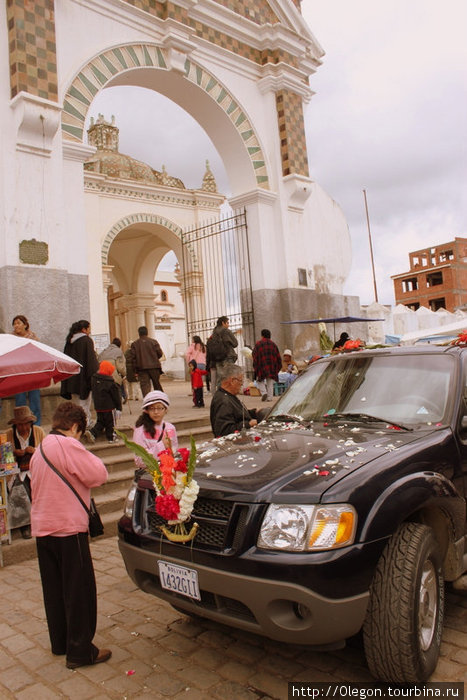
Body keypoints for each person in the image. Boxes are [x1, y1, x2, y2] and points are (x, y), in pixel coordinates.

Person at [29, 402, 111, 669]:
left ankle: (60, 642)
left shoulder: (39, 448)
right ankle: (80, 652)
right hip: (67, 528)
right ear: (75, 426)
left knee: (54, 589)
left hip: (43, 528)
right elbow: (99, 474)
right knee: (79, 591)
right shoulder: (67, 445)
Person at [6, 405, 45, 539]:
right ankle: (25, 525)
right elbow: (4, 456)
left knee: (36, 486)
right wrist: (14, 453)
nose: (23, 428)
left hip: (35, 470)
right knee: (20, 488)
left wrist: (34, 451)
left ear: (30, 423)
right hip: (16, 472)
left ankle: (38, 521)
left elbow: (46, 451)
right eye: (20, 425)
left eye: (26, 424)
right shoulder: (9, 434)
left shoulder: (38, 431)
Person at [60, 320, 99, 430]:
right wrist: (94, 375)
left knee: (77, 402)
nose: (90, 330)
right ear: (84, 329)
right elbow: (91, 361)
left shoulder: (69, 342)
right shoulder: (86, 340)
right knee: (85, 403)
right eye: (89, 328)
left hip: (72, 378)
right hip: (84, 377)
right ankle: (84, 422)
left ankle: (79, 422)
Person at [210, 363, 259, 438]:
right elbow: (224, 431)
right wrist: (249, 424)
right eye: (240, 381)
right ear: (233, 381)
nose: (241, 385)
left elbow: (237, 414)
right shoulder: (223, 401)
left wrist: (253, 412)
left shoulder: (229, 395)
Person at [132, 390, 179, 467]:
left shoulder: (170, 428)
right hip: (150, 475)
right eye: (152, 408)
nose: (156, 412)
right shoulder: (140, 430)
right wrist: (161, 445)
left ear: (166, 410)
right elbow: (140, 460)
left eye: (160, 408)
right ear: (147, 410)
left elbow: (174, 451)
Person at [11, 314, 42, 425]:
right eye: (14, 324)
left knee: (35, 399)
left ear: (25, 325)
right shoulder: (11, 339)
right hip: (17, 372)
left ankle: (36, 424)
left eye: (18, 323)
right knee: (20, 400)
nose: (16, 326)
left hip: (32, 371)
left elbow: (39, 354)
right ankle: (21, 424)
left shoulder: (33, 338)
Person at [90, 360, 122, 443]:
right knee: (111, 423)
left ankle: (92, 433)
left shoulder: (94, 380)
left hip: (98, 407)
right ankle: (111, 437)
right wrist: (119, 408)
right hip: (109, 407)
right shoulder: (110, 382)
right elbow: (116, 397)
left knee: (101, 422)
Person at [129, 326, 163, 397]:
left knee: (145, 387)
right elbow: (160, 353)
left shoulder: (135, 344)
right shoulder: (153, 342)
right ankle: (160, 400)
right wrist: (154, 359)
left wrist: (135, 371)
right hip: (154, 367)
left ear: (139, 333)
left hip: (141, 368)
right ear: (147, 333)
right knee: (156, 384)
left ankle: (148, 402)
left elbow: (133, 358)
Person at [206, 316, 238, 390]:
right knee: (229, 377)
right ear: (223, 323)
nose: (228, 325)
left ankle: (220, 394)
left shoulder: (214, 333)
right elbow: (235, 343)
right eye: (227, 323)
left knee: (220, 378)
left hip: (218, 358)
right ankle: (229, 395)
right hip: (228, 356)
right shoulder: (226, 331)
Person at [252, 329, 282, 402]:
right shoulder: (273, 344)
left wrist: (255, 364)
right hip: (271, 366)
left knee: (259, 381)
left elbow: (254, 355)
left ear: (262, 335)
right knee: (270, 382)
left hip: (261, 365)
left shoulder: (258, 344)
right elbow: (278, 356)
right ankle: (270, 398)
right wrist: (277, 366)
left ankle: (264, 392)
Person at [98, 337, 126, 403]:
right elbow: (121, 367)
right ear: (119, 345)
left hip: (102, 377)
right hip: (114, 377)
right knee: (116, 396)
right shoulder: (119, 351)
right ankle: (117, 409)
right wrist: (124, 374)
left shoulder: (104, 351)